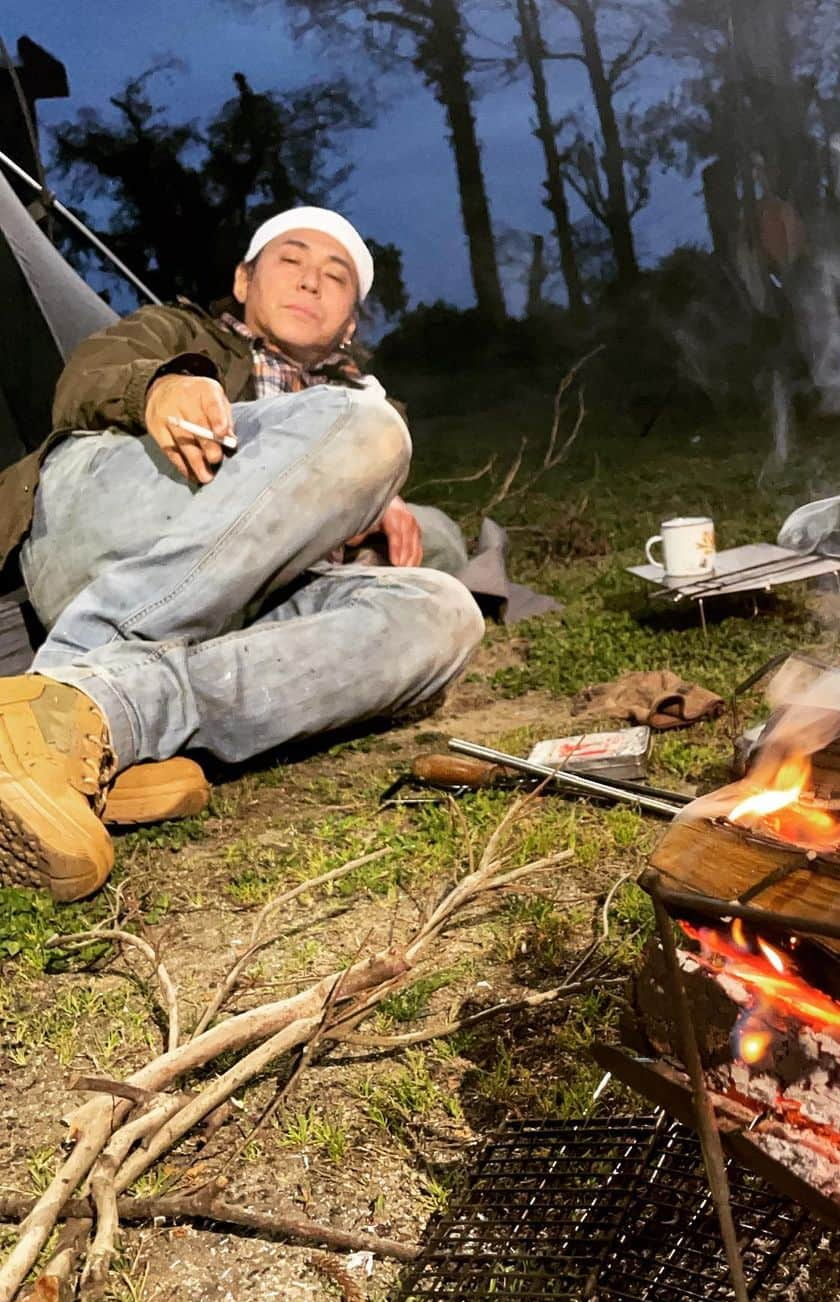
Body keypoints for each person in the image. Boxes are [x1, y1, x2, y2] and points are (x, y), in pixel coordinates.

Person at [0, 206, 485, 901]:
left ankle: (106, 718)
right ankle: (55, 699)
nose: (310, 281)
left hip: (234, 598)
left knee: (447, 611)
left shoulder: (361, 399)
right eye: (291, 260)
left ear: (350, 323)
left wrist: (364, 496)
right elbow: (83, 376)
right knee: (369, 430)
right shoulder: (182, 331)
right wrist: (162, 384)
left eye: (335, 275)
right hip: (102, 516)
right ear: (244, 278)